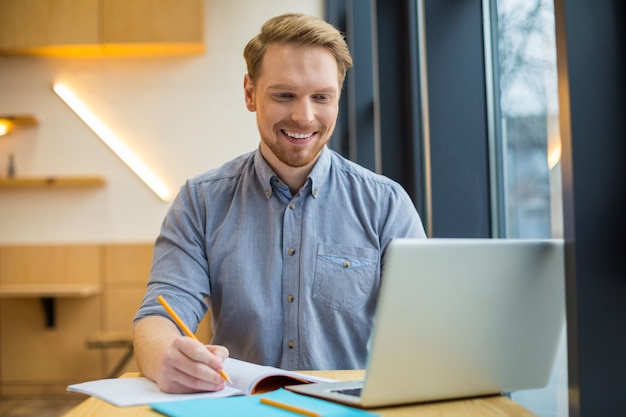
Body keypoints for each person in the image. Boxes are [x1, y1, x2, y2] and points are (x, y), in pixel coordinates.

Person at [133, 12, 426, 394]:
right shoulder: (200, 202)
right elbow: (160, 314)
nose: (304, 117)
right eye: (284, 95)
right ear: (250, 93)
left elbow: (424, 327)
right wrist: (167, 357)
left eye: (322, 97)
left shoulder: (386, 204)